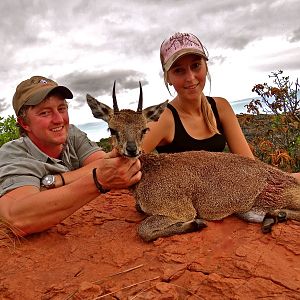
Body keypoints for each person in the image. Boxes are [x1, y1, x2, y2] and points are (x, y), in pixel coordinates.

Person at [142, 32, 300, 183]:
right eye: (178, 70)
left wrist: (289, 179)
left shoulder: (220, 107)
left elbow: (250, 166)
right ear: (168, 77)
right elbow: (123, 166)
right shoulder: (163, 119)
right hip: (183, 207)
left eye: (196, 66)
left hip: (222, 201)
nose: (190, 78)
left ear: (206, 67)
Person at [0, 76, 141, 236]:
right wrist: (97, 181)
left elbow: (107, 164)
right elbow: (17, 218)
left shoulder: (72, 133)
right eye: (45, 113)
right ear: (25, 124)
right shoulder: (13, 155)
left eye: (61, 108)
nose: (59, 120)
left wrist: (55, 181)